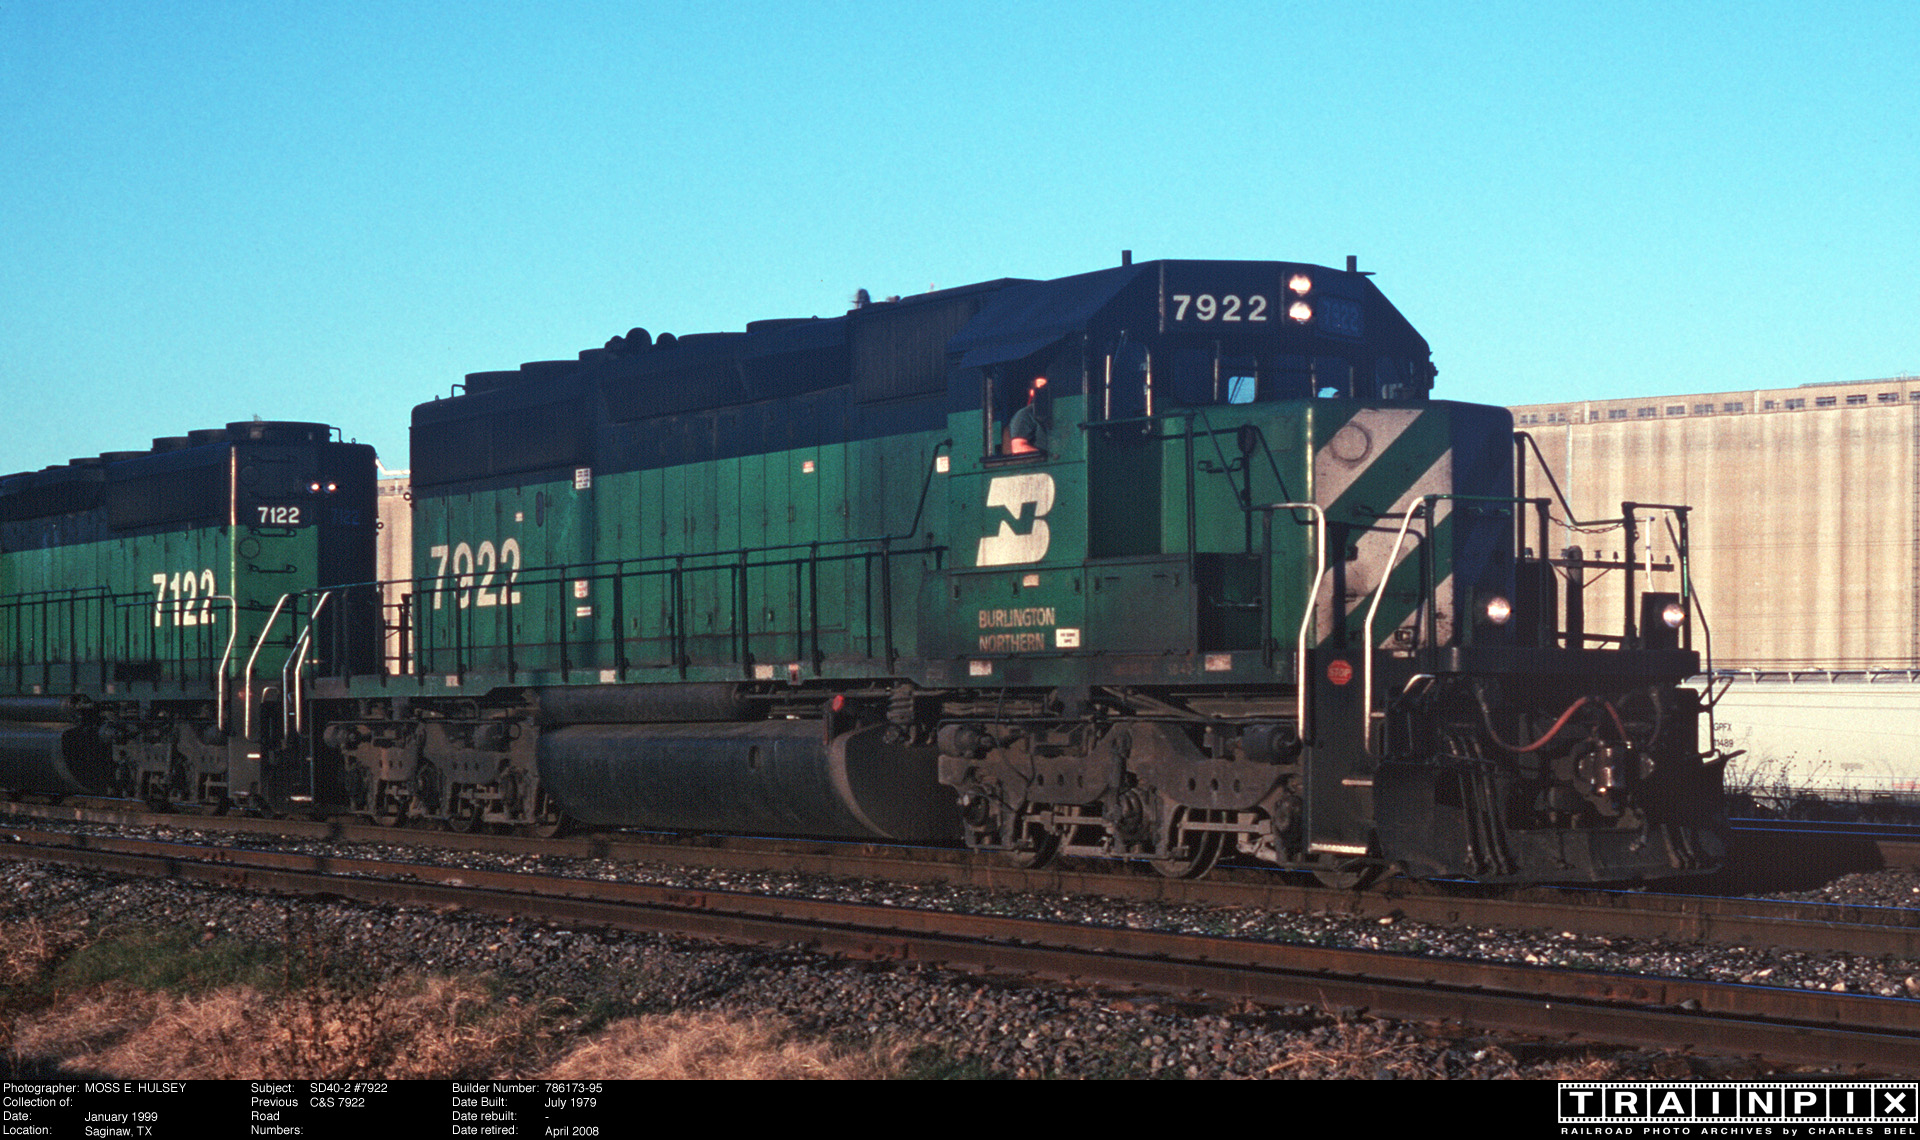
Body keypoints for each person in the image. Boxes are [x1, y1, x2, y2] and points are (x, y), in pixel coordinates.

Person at [1008, 377, 1048, 454]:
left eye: (1047, 387)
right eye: (1041, 388)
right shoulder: (1025, 414)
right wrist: (1049, 456)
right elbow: (1018, 448)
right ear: (1032, 392)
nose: (1044, 391)